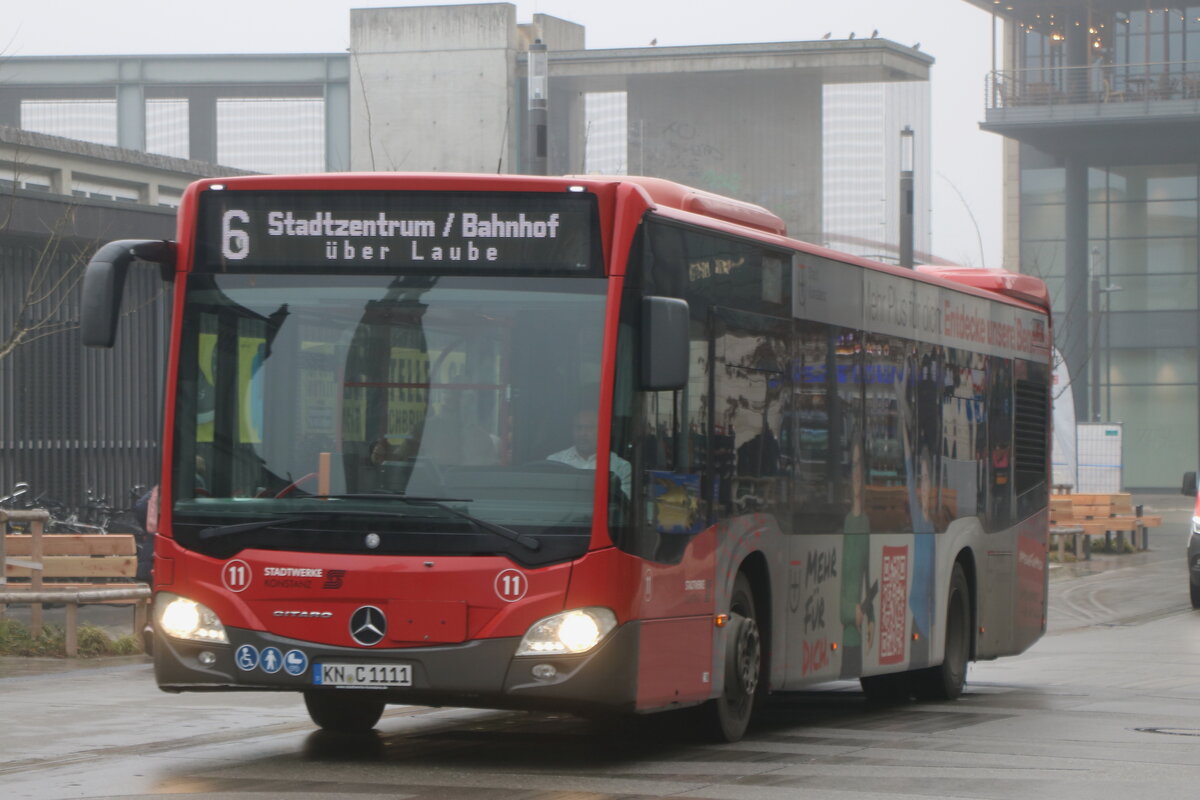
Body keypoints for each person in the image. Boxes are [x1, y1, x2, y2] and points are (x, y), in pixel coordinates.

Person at [547, 409, 632, 497]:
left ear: (602, 430)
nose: (583, 433)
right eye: (578, 428)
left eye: (590, 428)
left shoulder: (621, 467)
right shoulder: (554, 462)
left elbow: (623, 506)